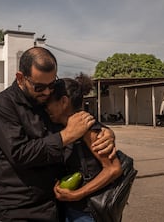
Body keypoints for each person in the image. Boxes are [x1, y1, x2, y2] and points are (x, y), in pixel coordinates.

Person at [0, 47, 116, 221]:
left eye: (51, 84)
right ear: (20, 78)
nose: (47, 92)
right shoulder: (3, 105)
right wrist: (66, 136)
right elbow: (20, 153)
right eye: (39, 87)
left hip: (53, 207)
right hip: (17, 208)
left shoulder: (44, 97)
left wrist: (103, 131)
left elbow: (72, 115)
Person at [46, 74, 122, 221]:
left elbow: (113, 169)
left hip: (87, 212)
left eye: (49, 101)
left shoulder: (88, 128)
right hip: (68, 208)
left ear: (63, 102)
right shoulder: (59, 126)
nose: (46, 106)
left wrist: (77, 194)